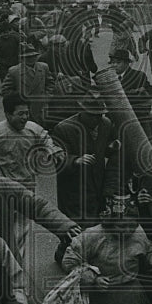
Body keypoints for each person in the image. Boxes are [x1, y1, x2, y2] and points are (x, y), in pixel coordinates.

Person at [62, 194, 152, 304]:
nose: (127, 230)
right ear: (109, 222)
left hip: (131, 294)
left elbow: (149, 251)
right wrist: (93, 279)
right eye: (121, 226)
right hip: (101, 295)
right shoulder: (93, 236)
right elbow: (70, 259)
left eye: (132, 225)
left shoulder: (138, 234)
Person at [51, 95, 120, 253]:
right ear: (81, 111)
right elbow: (58, 158)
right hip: (74, 187)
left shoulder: (106, 124)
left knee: (95, 222)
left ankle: (85, 253)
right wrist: (75, 161)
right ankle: (65, 251)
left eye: (99, 114)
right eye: (92, 114)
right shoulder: (64, 128)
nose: (96, 119)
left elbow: (107, 147)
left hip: (96, 182)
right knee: (76, 226)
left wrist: (113, 146)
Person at [0, 92, 63, 194]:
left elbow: (45, 138)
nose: (25, 117)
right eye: (20, 114)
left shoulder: (33, 128)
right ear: (8, 115)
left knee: (28, 208)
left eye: (27, 113)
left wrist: (52, 150)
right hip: (4, 185)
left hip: (28, 184)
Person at [0, 44, 56, 126]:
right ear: (22, 58)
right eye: (28, 57)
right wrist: (17, 100)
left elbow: (50, 83)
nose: (31, 59)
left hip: (41, 106)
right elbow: (4, 90)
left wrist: (47, 97)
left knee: (42, 129)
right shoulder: (14, 71)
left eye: (33, 56)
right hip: (24, 109)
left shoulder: (44, 67)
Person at [109, 48, 152, 137]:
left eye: (118, 63)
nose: (114, 65)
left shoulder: (138, 75)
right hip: (116, 117)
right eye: (112, 62)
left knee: (147, 139)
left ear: (127, 63)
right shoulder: (109, 78)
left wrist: (140, 92)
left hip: (137, 115)